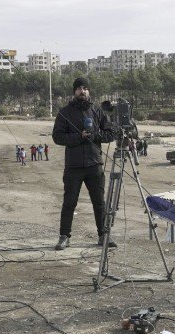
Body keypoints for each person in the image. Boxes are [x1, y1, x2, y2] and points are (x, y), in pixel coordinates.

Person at [52, 77, 117, 250]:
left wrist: (95, 135)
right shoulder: (65, 112)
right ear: (74, 92)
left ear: (89, 91)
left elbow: (110, 133)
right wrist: (78, 137)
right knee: (69, 202)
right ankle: (64, 236)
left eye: (85, 88)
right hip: (73, 166)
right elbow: (57, 137)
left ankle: (103, 234)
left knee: (99, 202)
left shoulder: (97, 111)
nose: (83, 91)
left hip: (94, 164)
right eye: (79, 88)